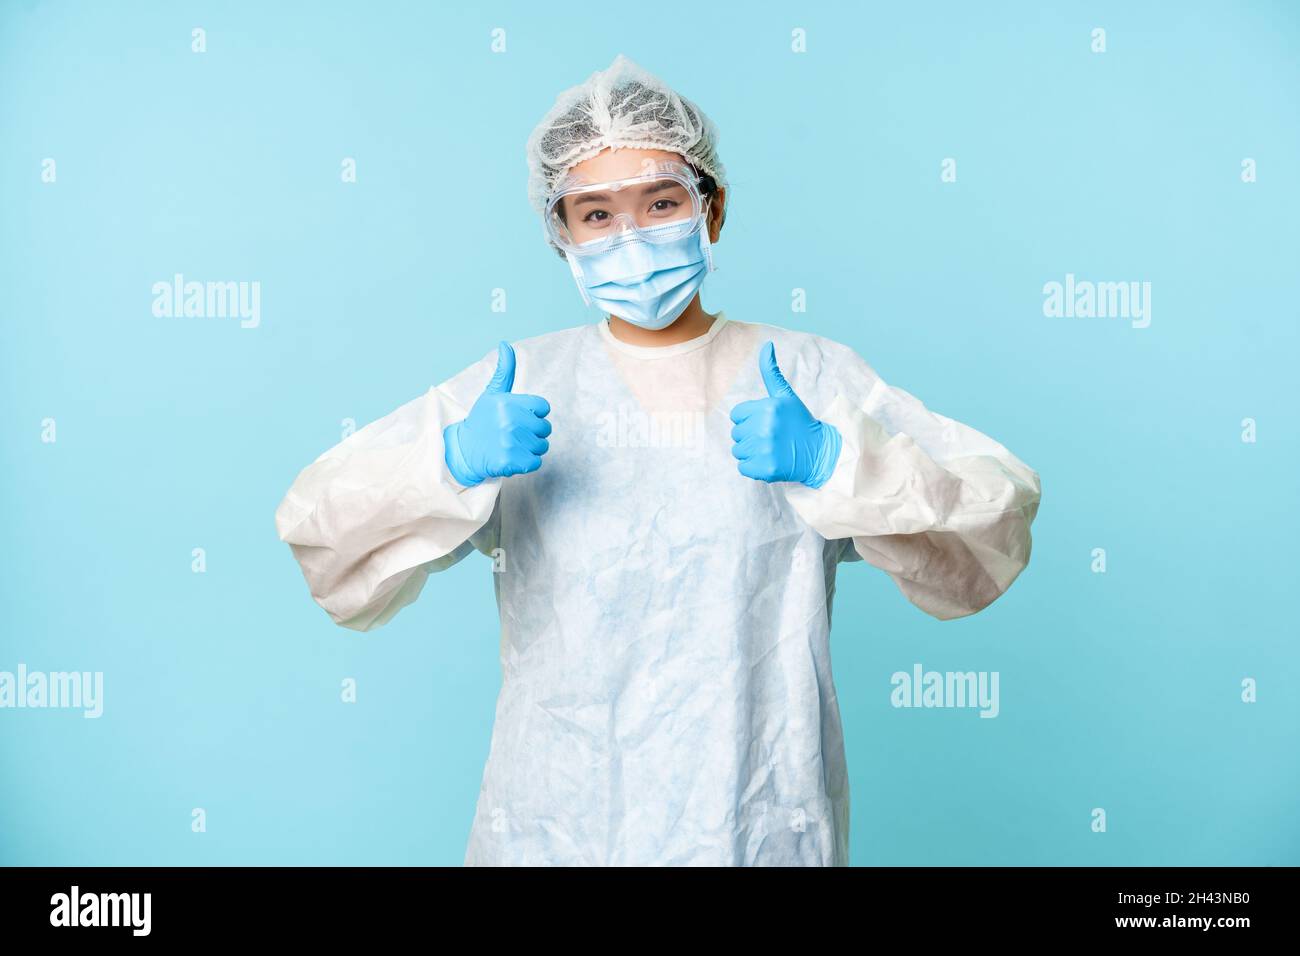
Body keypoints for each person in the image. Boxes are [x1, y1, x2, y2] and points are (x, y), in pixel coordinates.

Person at [275, 54, 1041, 866]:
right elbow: (324, 542)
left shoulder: (806, 379)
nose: (631, 237)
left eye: (661, 202)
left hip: (755, 823)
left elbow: (993, 531)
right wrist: (449, 463)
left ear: (711, 212)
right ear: (559, 234)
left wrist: (840, 463)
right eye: (596, 214)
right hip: (559, 826)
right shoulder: (520, 388)